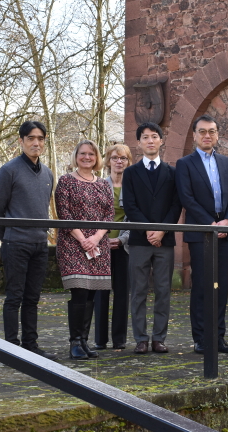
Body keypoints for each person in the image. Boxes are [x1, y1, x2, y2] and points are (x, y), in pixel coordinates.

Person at [0, 120, 58, 361]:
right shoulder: (9, 170)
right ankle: (11, 348)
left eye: (40, 138)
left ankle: (31, 345)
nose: (36, 143)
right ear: (21, 141)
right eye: (30, 138)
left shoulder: (48, 173)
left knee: (33, 298)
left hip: (40, 244)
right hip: (15, 243)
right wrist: (9, 237)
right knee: (14, 296)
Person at [175, 114, 228, 354]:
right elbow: (186, 199)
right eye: (202, 131)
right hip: (201, 233)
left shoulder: (226, 162)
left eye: (211, 131)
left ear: (217, 135)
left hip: (224, 230)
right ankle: (201, 337)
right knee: (202, 286)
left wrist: (227, 221)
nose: (207, 135)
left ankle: (218, 336)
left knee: (220, 287)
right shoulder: (185, 164)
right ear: (194, 135)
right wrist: (211, 223)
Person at [122, 122, 182, 354]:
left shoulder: (172, 172)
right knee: (138, 290)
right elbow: (130, 205)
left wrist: (162, 231)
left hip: (165, 241)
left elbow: (176, 204)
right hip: (139, 240)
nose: (150, 140)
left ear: (161, 140)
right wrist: (148, 230)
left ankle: (159, 337)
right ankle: (140, 338)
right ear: (139, 143)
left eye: (154, 136)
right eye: (145, 137)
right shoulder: (131, 172)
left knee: (163, 290)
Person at [55, 140, 114, 360]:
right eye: (82, 153)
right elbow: (65, 213)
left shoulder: (103, 185)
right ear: (76, 156)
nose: (87, 157)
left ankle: (84, 341)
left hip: (98, 244)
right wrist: (83, 240)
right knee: (79, 290)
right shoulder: (66, 181)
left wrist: (96, 238)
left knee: (91, 293)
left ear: (97, 157)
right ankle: (74, 343)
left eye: (91, 154)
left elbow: (109, 216)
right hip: (73, 243)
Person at [93, 144, 133, 351]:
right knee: (101, 293)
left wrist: (122, 240)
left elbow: (134, 217)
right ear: (108, 161)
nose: (119, 162)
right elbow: (95, 216)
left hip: (124, 247)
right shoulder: (99, 185)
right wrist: (102, 239)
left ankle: (119, 339)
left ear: (128, 162)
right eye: (115, 158)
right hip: (101, 246)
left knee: (122, 293)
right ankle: (100, 340)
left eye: (124, 158)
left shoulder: (133, 187)